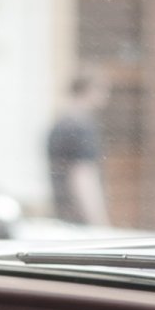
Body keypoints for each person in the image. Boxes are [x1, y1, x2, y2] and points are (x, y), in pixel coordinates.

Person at [47, 73, 111, 226]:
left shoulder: (61, 123)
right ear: (89, 90)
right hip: (80, 218)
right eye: (103, 90)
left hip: (63, 212)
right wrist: (98, 222)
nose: (107, 95)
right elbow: (83, 175)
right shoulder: (81, 127)